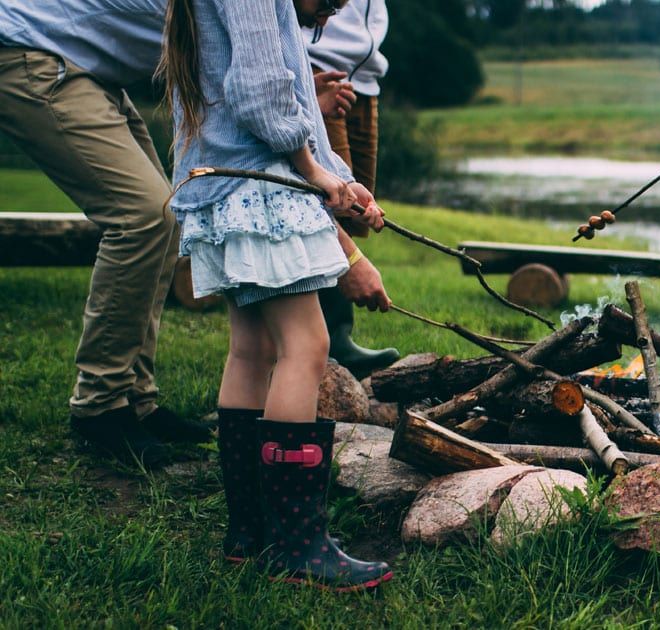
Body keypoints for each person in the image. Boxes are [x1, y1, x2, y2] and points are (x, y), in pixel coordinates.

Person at [161, 0, 393, 590]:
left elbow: (280, 94)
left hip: (225, 185)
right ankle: (298, 545)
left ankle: (251, 533)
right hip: (261, 187)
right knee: (305, 347)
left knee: (252, 351)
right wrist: (314, 175)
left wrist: (339, 173)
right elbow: (262, 90)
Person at [0, 0, 212, 468]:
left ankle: (136, 397)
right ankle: (99, 404)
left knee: (165, 216)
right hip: (34, 49)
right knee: (142, 216)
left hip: (87, 65)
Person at [307, 0, 400, 377]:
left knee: (351, 204)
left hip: (364, 75)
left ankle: (332, 335)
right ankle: (329, 337)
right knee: (325, 200)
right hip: (318, 63)